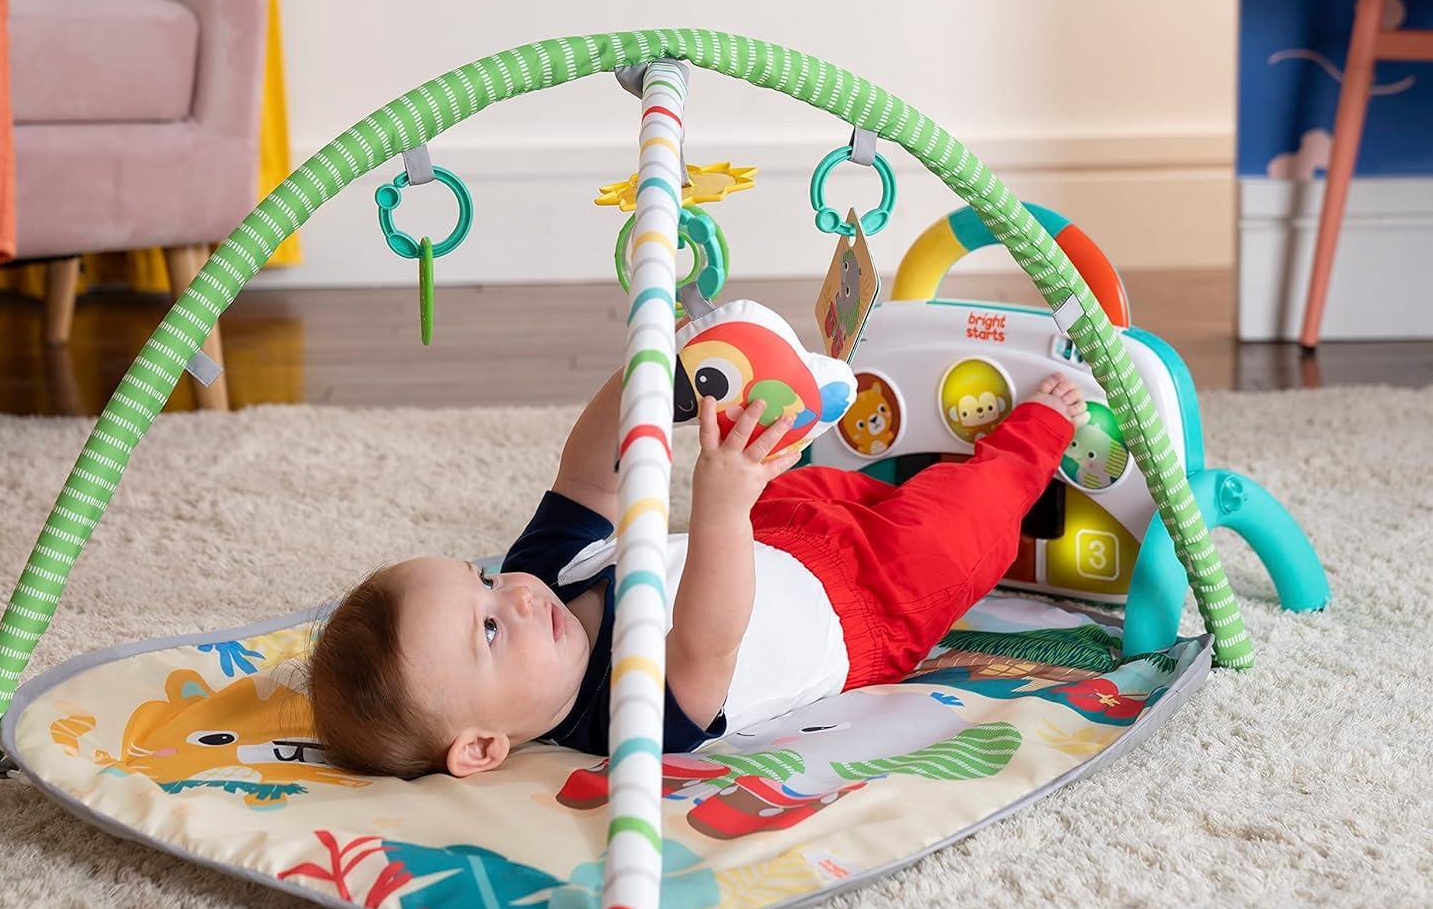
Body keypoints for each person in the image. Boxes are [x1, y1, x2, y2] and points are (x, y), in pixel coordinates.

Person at [308, 334, 1089, 780]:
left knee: (810, 473)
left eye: (481, 580)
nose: (509, 596)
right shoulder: (625, 718)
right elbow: (711, 641)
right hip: (873, 606)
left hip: (780, 528)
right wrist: (720, 503)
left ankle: (900, 466)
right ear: (482, 747)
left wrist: (650, 373)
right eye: (487, 631)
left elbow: (586, 476)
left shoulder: (543, 580)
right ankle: (1031, 441)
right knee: (962, 526)